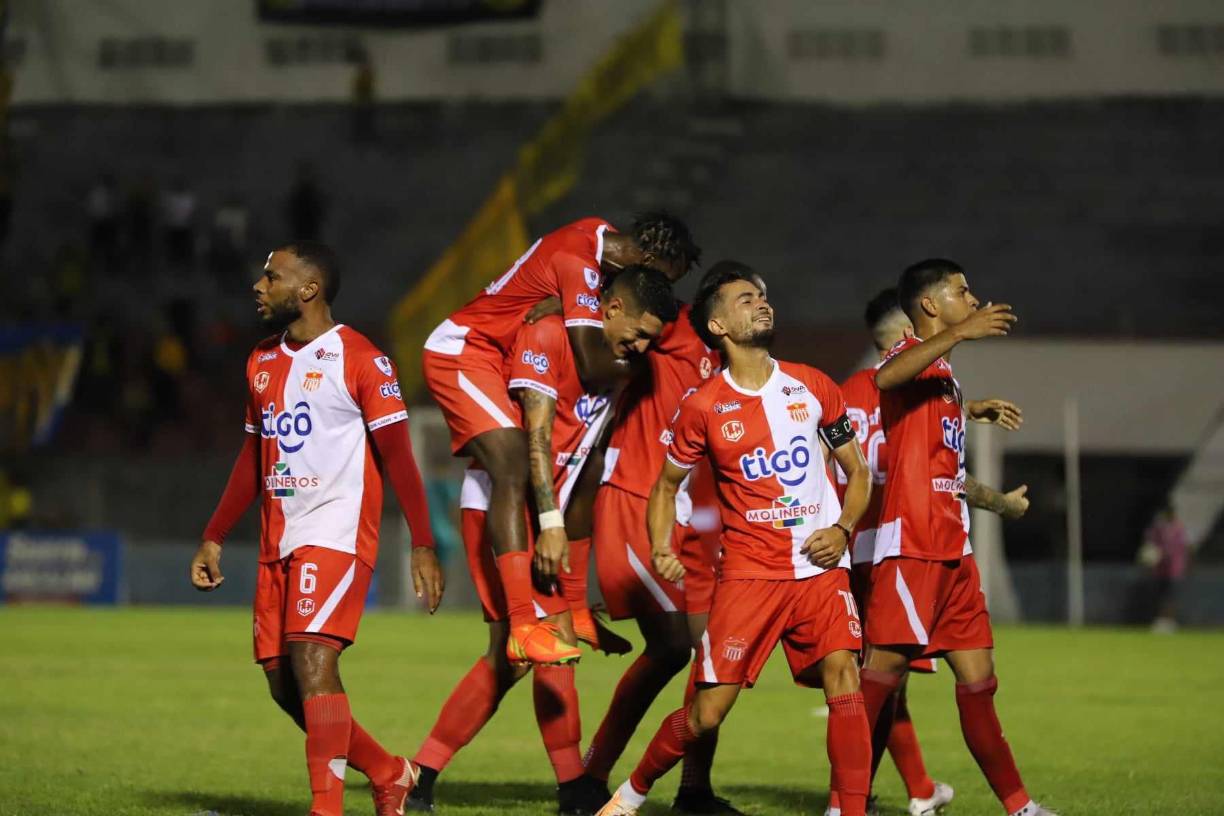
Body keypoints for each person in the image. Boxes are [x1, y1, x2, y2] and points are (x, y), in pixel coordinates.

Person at [599, 264, 874, 816]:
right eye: (746, 300)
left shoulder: (814, 385)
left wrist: (842, 528)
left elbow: (859, 472)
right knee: (706, 714)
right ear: (719, 325)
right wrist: (661, 549)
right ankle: (628, 797)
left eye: (763, 298)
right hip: (751, 576)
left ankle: (848, 809)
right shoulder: (702, 406)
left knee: (845, 679)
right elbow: (665, 486)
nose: (762, 304)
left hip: (820, 569)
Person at [408, 265, 679, 814]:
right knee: (549, 651)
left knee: (512, 660)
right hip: (503, 511)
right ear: (610, 307)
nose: (643, 345)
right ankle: (574, 789)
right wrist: (550, 525)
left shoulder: (618, 366)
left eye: (653, 338)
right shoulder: (548, 335)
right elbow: (535, 440)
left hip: (546, 515)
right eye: (639, 332)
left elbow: (583, 465)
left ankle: (419, 777)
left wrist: (576, 593)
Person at [189, 242, 444, 816]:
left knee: (312, 662)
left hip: (335, 532)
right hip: (278, 537)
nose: (258, 286)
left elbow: (400, 456)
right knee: (285, 685)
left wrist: (423, 543)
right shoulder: (260, 360)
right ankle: (389, 773)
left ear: (308, 289)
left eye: (271, 276)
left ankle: (325, 808)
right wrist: (214, 533)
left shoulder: (361, 358)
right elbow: (253, 454)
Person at [421, 213, 698, 665]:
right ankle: (522, 625)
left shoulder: (594, 237)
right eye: (666, 278)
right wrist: (636, 363)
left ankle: (569, 609)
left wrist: (573, 306)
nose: (665, 293)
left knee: (588, 460)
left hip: (498, 355)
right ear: (646, 259)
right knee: (514, 460)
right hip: (464, 350)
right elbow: (591, 362)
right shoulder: (579, 262)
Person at [861, 258, 1055, 816]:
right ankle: (843, 804)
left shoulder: (945, 377)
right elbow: (886, 379)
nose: (973, 299)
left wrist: (971, 416)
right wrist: (960, 332)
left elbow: (942, 468)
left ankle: (1020, 807)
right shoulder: (903, 355)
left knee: (979, 680)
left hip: (954, 549)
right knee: (880, 682)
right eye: (962, 292)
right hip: (913, 546)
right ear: (930, 305)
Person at [584, 261, 749, 815]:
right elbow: (621, 306)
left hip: (689, 521)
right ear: (712, 309)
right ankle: (591, 775)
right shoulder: (672, 327)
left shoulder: (740, 371)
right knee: (673, 647)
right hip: (636, 497)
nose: (758, 307)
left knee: (706, 658)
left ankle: (694, 790)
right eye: (746, 298)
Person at [1143, 503, 1189, 632]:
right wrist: (1151, 559)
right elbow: (1151, 545)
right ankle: (1160, 621)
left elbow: (1182, 548)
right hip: (1160, 569)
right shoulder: (1158, 528)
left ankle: (1170, 622)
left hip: (1174, 569)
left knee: (1170, 596)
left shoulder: (1178, 529)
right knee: (1159, 596)